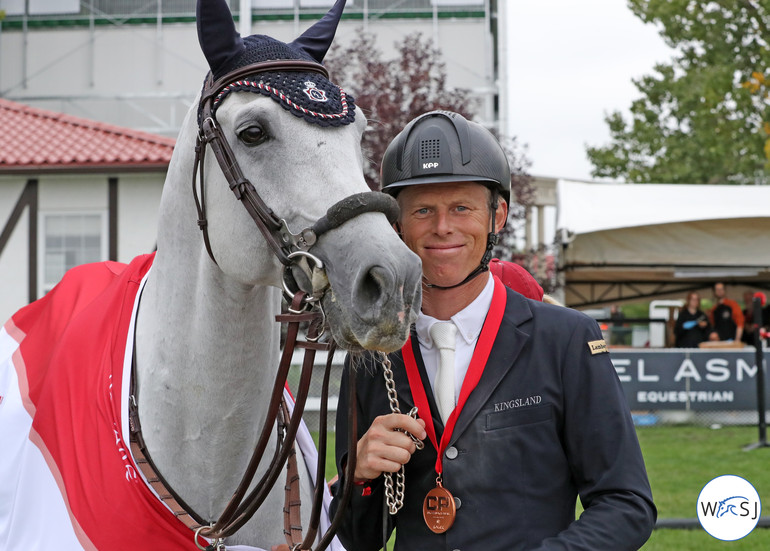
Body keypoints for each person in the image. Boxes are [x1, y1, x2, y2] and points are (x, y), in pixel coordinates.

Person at [330, 111, 656, 550]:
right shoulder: (374, 355)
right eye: (423, 210)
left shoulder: (566, 340)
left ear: (496, 216)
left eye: (461, 208)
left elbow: (626, 503)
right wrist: (360, 478)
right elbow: (355, 539)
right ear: (396, 225)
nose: (442, 227)